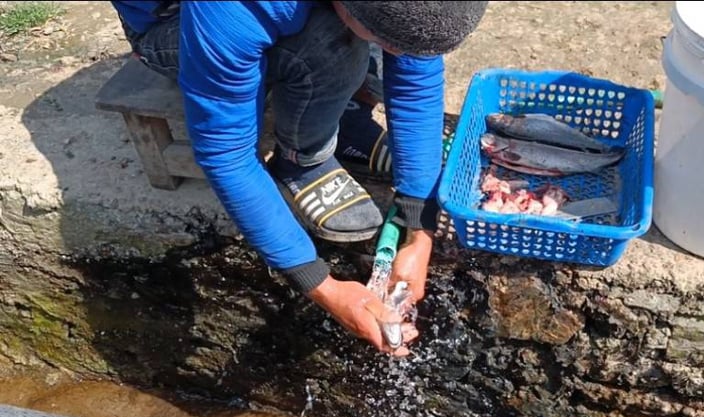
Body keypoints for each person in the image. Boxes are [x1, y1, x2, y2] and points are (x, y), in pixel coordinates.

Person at [109, 1, 488, 357]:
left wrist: (419, 228)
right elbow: (227, 154)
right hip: (167, 25)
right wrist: (323, 287)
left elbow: (415, 74)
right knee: (333, 46)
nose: (400, 54)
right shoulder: (235, 9)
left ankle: (346, 120)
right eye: (390, 39)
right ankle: (301, 160)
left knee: (378, 48)